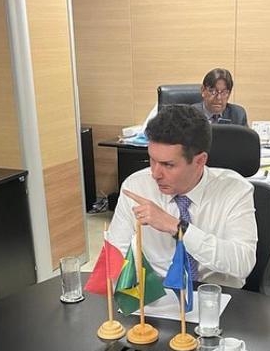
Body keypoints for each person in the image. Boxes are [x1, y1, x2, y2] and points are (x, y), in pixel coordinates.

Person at [107, 104, 256, 288]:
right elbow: (114, 257)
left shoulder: (235, 190)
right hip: (158, 295)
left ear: (200, 161)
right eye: (152, 160)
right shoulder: (136, 186)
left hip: (215, 296)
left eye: (168, 165)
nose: (155, 174)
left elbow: (243, 263)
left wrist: (177, 227)